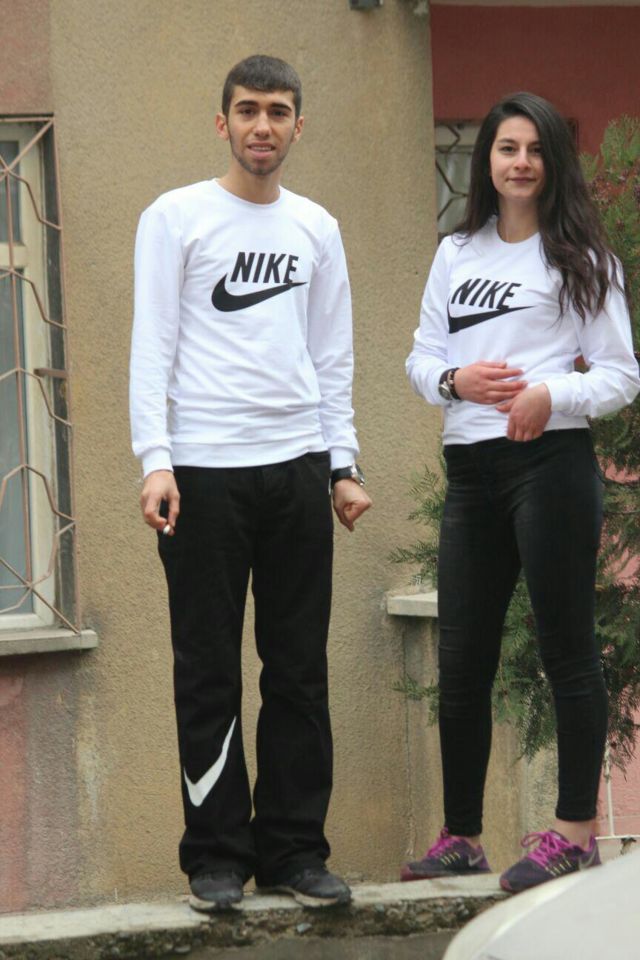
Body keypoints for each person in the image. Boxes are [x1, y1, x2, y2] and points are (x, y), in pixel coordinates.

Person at [129, 54, 371, 913]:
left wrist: (342, 464)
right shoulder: (176, 218)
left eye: (276, 111)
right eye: (246, 109)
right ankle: (217, 858)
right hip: (203, 471)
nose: (261, 125)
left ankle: (296, 851)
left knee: (298, 668)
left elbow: (331, 355)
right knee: (208, 671)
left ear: (298, 125)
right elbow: (152, 345)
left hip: (298, 468)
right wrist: (155, 459)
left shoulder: (316, 227)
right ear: (221, 122)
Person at [401, 92, 640, 894]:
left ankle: (573, 835)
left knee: (565, 647)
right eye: (507, 148)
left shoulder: (581, 257)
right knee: (462, 656)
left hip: (551, 467)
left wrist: (551, 394)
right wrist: (454, 380)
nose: (521, 162)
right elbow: (420, 360)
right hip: (471, 473)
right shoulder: (455, 253)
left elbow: (621, 375)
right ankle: (461, 836)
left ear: (553, 162)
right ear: (488, 161)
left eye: (535, 149)